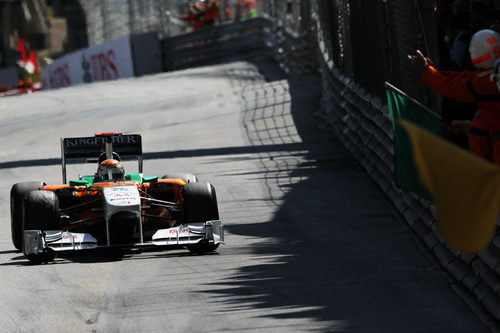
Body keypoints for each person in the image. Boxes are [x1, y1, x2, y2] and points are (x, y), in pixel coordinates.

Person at [408, 29, 500, 164]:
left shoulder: (487, 82)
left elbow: (453, 86)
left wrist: (426, 71)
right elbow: (463, 78)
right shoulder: (490, 76)